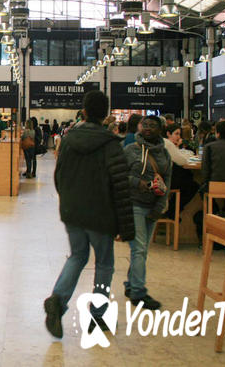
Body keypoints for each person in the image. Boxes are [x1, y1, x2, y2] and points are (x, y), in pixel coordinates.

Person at [44, 90, 134, 338]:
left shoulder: (69, 140)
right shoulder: (111, 145)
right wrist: (125, 226)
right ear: (105, 115)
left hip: (73, 211)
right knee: (104, 264)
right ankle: (98, 315)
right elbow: (120, 186)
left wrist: (67, 200)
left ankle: (58, 300)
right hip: (101, 215)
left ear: (83, 112)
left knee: (77, 256)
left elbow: (58, 175)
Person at [123, 115, 172, 310]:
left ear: (160, 130)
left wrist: (160, 207)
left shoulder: (165, 154)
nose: (149, 128)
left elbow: (167, 181)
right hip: (134, 204)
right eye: (146, 125)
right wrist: (137, 183)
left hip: (153, 206)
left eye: (153, 125)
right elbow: (117, 174)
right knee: (140, 249)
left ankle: (130, 284)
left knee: (141, 250)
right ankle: (138, 292)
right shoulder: (130, 150)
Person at [162, 124, 199, 219]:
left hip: (162, 180)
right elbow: (181, 161)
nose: (178, 137)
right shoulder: (168, 144)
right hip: (167, 181)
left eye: (179, 134)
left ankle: (172, 211)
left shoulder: (163, 143)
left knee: (187, 178)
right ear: (168, 134)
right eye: (176, 134)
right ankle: (172, 211)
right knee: (192, 185)